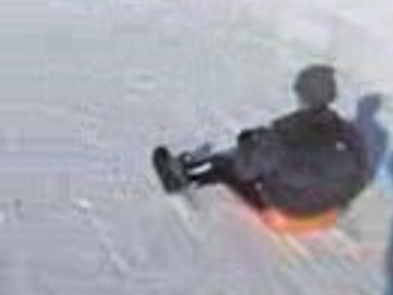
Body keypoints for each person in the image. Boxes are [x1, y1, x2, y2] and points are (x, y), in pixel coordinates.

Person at [153, 65, 369, 230]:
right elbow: (360, 173)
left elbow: (246, 170)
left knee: (227, 164)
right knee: (273, 158)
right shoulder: (349, 132)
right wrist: (337, 201)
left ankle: (184, 179)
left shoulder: (284, 133)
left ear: (302, 95)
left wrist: (247, 145)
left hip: (292, 213)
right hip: (329, 207)